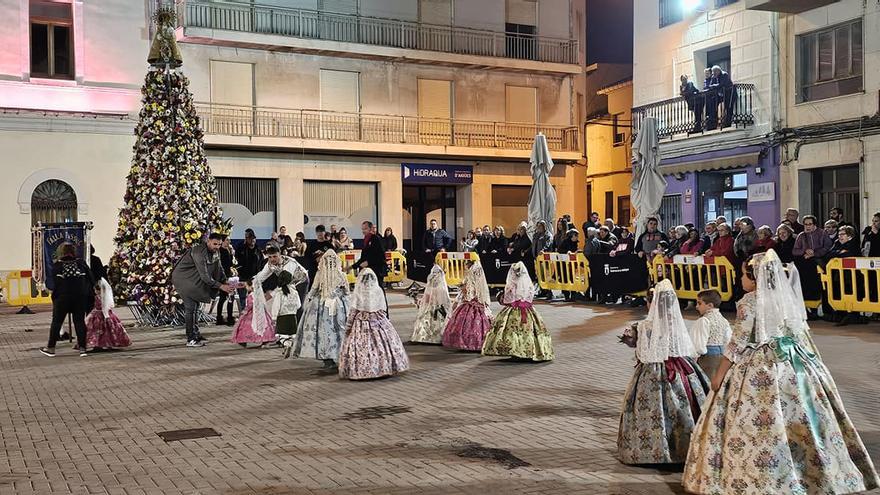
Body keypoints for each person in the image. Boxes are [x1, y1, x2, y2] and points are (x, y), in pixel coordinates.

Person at [683, 250, 879, 494]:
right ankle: (817, 473)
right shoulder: (785, 298)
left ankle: (756, 478)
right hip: (792, 363)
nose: (739, 280)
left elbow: (738, 342)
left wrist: (719, 374)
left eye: (742, 275)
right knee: (802, 416)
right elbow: (800, 335)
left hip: (757, 367)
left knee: (756, 424)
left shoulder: (749, 301)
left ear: (754, 279)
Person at [617, 279, 709, 465]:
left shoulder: (644, 326)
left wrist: (630, 338)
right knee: (682, 406)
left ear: (652, 303)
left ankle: (651, 451)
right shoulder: (676, 322)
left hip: (652, 370)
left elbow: (642, 353)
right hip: (680, 367)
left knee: (651, 409)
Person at [338, 268, 409, 380]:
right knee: (381, 345)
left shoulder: (358, 292)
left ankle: (364, 370)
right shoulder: (378, 290)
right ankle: (383, 367)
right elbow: (383, 308)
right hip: (378, 320)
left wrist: (348, 327)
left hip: (361, 322)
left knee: (362, 346)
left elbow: (353, 311)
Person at [481, 261, 553, 362]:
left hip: (514, 309)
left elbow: (507, 299)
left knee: (512, 330)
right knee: (529, 330)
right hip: (527, 310)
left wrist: (502, 297)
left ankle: (515, 350)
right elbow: (530, 296)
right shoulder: (528, 284)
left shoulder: (511, 285)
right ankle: (529, 351)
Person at [290, 250, 350, 368]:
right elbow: (347, 291)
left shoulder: (320, 274)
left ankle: (327, 359)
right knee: (339, 331)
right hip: (338, 306)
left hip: (322, 306)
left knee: (323, 332)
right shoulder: (341, 275)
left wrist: (308, 302)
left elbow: (313, 289)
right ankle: (341, 355)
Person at [172, 233, 233, 347]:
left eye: (219, 244)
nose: (217, 247)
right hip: (183, 279)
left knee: (195, 308)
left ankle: (196, 334)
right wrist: (221, 286)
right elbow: (205, 277)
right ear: (208, 241)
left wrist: (225, 281)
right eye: (215, 244)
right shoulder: (199, 252)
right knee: (191, 308)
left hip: (193, 279)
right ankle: (191, 339)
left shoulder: (216, 251)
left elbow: (219, 267)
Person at [40, 244, 95, 357]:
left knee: (56, 322)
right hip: (80, 297)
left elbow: (51, 283)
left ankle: (51, 348)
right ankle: (83, 348)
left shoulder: (57, 265)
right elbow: (91, 279)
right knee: (79, 322)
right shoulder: (81, 264)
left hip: (62, 298)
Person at [257, 245, 309, 346]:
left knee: (296, 307)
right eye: (270, 257)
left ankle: (299, 334)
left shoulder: (289, 264)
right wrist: (251, 284)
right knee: (283, 307)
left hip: (301, 282)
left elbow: (285, 284)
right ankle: (283, 335)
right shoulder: (270, 264)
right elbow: (261, 276)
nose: (272, 259)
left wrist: (270, 295)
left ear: (280, 255)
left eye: (275, 256)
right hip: (287, 284)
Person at [442, 260, 493, 352]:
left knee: (469, 321)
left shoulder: (474, 271)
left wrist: (467, 291)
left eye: (466, 264)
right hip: (472, 299)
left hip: (473, 300)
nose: (466, 266)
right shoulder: (473, 272)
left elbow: (474, 287)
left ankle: (471, 343)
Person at [792, 215, 833, 307]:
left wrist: (814, 253)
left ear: (814, 224)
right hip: (805, 264)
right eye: (806, 224)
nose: (808, 226)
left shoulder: (822, 233)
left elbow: (828, 247)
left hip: (819, 263)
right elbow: (795, 250)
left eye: (810, 224)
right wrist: (804, 250)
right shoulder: (801, 235)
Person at [689, 289, 731, 378]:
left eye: (699, 303)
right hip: (721, 357)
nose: (696, 306)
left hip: (707, 360)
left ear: (710, 305)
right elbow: (728, 340)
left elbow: (699, 346)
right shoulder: (724, 320)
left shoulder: (704, 321)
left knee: (707, 384)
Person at [411, 265, 452, 345]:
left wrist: (420, 303)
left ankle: (426, 337)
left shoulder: (430, 289)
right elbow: (445, 302)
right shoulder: (442, 289)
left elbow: (426, 300)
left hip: (431, 309)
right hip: (440, 309)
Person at [230, 281, 276, 348]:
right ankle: (265, 340)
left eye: (247, 286)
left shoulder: (251, 295)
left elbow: (250, 305)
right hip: (262, 312)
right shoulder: (260, 294)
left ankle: (243, 340)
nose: (246, 288)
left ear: (251, 287)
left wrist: (245, 311)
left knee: (245, 326)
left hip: (252, 313)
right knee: (264, 326)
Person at [235, 231, 264, 314]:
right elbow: (237, 261)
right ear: (246, 239)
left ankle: (253, 313)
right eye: (250, 239)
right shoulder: (241, 249)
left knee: (254, 297)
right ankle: (243, 314)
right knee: (242, 297)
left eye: (253, 239)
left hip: (254, 277)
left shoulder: (258, 250)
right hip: (243, 276)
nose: (252, 240)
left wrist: (259, 275)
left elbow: (261, 263)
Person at [216, 237, 236, 326]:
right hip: (224, 277)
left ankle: (226, 317)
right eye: (227, 240)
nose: (229, 242)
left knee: (227, 297)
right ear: (223, 241)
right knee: (226, 297)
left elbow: (230, 263)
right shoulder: (220, 251)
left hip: (228, 275)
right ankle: (226, 318)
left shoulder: (228, 250)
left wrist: (231, 253)